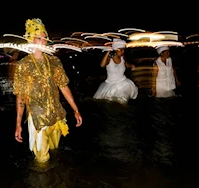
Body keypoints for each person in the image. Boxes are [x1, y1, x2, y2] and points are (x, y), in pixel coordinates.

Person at [13, 18, 82, 163]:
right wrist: (18, 124)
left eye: (44, 38)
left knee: (55, 151)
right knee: (42, 160)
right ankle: (43, 185)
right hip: (38, 117)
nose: (43, 42)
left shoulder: (54, 61)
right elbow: (21, 96)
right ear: (30, 40)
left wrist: (75, 109)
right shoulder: (23, 65)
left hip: (56, 114)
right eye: (38, 38)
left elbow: (63, 86)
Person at [93, 38, 138, 104]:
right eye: (121, 50)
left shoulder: (123, 57)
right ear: (115, 49)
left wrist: (131, 66)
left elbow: (126, 64)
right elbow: (102, 65)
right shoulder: (109, 58)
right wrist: (108, 51)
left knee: (123, 103)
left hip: (123, 83)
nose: (123, 52)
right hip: (110, 85)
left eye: (124, 50)